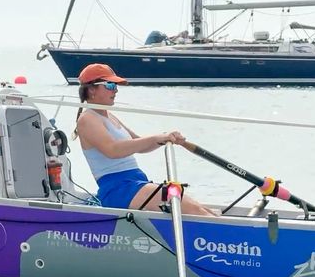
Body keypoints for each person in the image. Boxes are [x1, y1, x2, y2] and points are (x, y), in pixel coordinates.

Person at [74, 63, 217, 216]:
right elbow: (113, 150)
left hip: (137, 181)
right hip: (118, 189)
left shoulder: (110, 116)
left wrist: (165, 138)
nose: (115, 90)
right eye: (110, 85)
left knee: (200, 208)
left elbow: (140, 145)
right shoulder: (87, 119)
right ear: (91, 89)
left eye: (116, 85)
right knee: (189, 207)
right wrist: (157, 137)